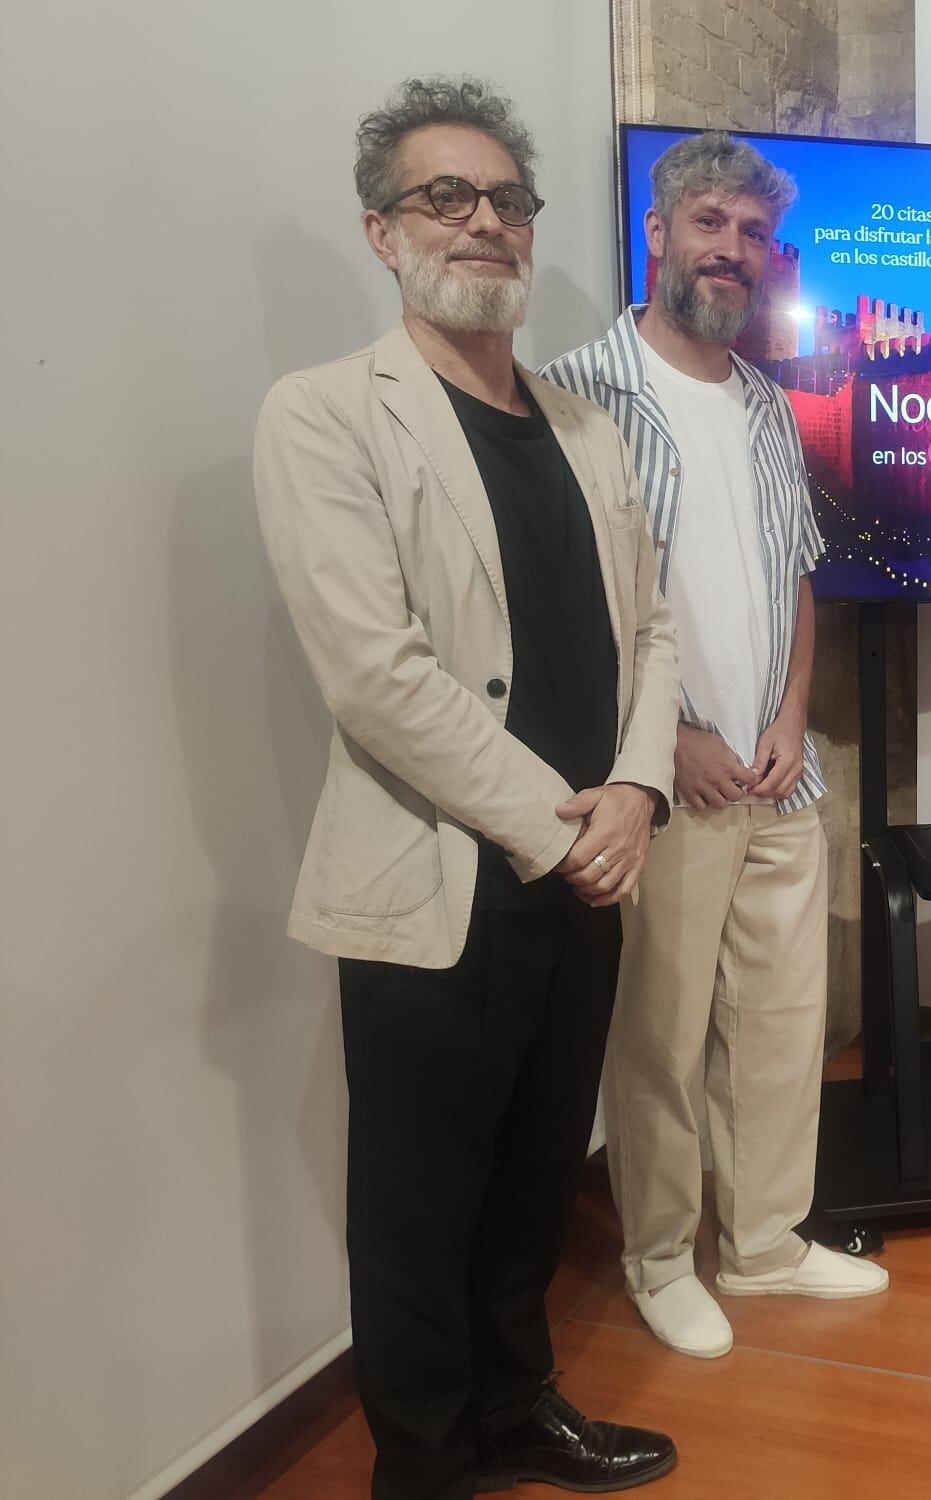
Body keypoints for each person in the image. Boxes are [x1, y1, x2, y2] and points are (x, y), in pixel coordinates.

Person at [254, 77, 680, 1496]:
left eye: (508, 200)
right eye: (450, 197)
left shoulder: (582, 427)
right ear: (384, 231)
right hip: (438, 877)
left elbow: (653, 632)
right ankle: (425, 1465)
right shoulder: (322, 418)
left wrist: (633, 794)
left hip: (591, 871)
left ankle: (517, 1406)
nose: (486, 223)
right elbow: (376, 675)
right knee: (419, 1206)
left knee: (536, 1176)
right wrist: (558, 831)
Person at [542, 130, 886, 1361]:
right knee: (661, 1035)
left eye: (751, 233)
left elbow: (795, 578)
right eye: (709, 225)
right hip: (666, 778)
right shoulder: (575, 393)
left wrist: (792, 714)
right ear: (657, 230)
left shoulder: (764, 404)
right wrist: (671, 733)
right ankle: (655, 1257)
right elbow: (580, 601)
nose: (730, 252)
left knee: (782, 1024)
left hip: (778, 772)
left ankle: (764, 1244)